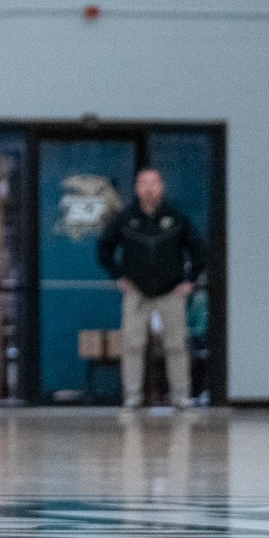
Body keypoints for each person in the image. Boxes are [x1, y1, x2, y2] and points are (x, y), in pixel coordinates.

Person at [97, 167, 206, 411]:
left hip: (170, 290)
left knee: (176, 344)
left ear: (161, 187)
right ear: (137, 188)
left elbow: (198, 248)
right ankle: (133, 398)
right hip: (137, 291)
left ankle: (181, 397)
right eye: (143, 183)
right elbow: (104, 248)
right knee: (132, 344)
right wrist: (119, 276)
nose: (149, 188)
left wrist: (190, 280)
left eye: (154, 183)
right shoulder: (125, 218)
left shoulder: (175, 217)